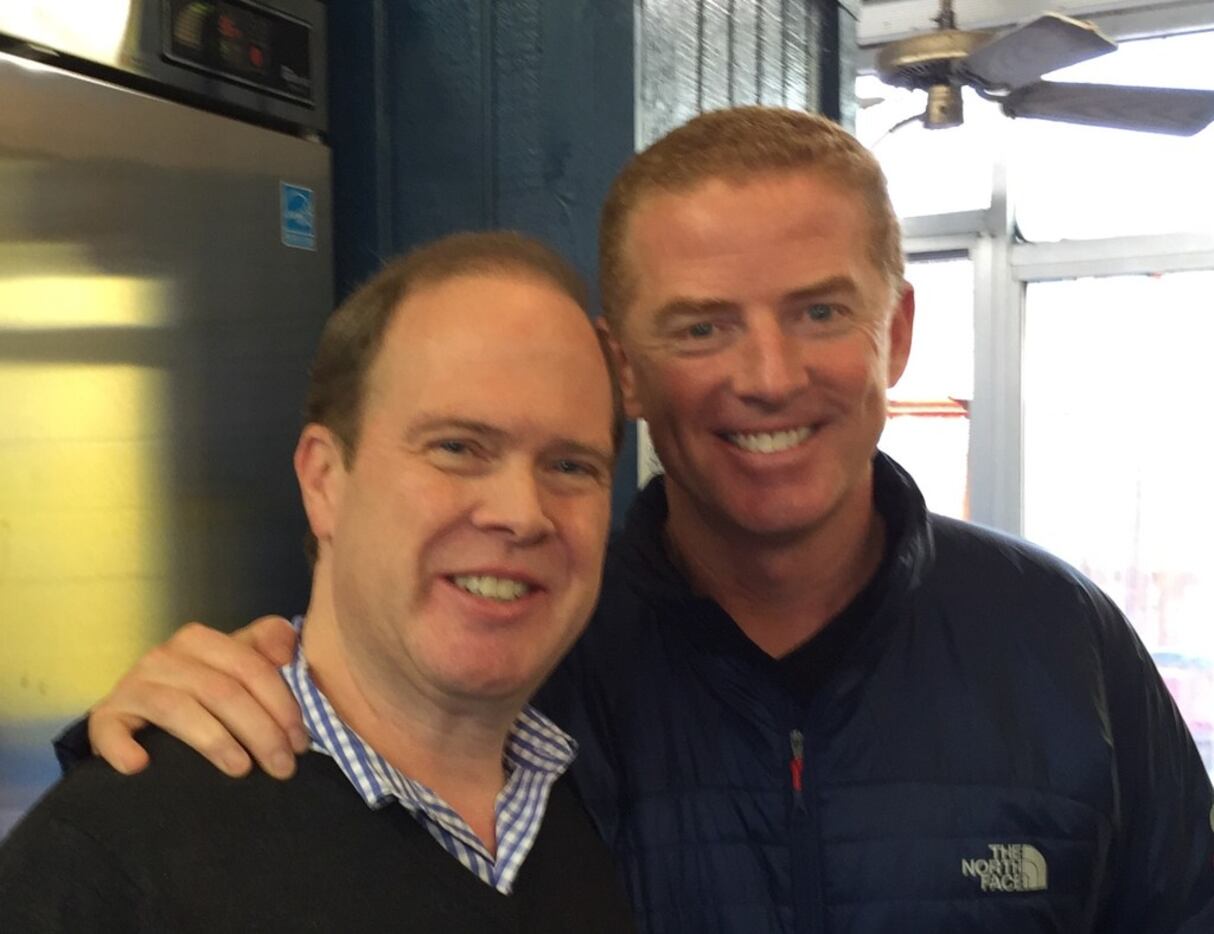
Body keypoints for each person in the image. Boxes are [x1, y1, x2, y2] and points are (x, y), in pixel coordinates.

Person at [55, 108, 1214, 932]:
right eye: (700, 326)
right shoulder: (520, 667)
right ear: (623, 368)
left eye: (818, 311)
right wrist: (129, 740)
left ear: (895, 331)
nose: (766, 377)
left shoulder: (1063, 645)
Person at [0, 232, 636, 933]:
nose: (522, 515)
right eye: (457, 448)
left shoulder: (578, 818)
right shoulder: (107, 861)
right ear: (324, 480)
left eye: (572, 467)